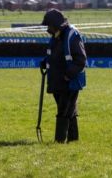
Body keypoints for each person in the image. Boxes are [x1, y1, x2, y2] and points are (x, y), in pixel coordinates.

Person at [41, 9, 87, 143]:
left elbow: (81, 60)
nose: (48, 29)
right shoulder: (57, 36)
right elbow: (55, 55)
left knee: (64, 110)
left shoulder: (72, 35)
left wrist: (68, 75)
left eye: (49, 25)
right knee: (69, 110)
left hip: (69, 81)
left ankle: (59, 140)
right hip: (57, 81)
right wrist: (45, 62)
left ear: (55, 25)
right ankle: (73, 139)